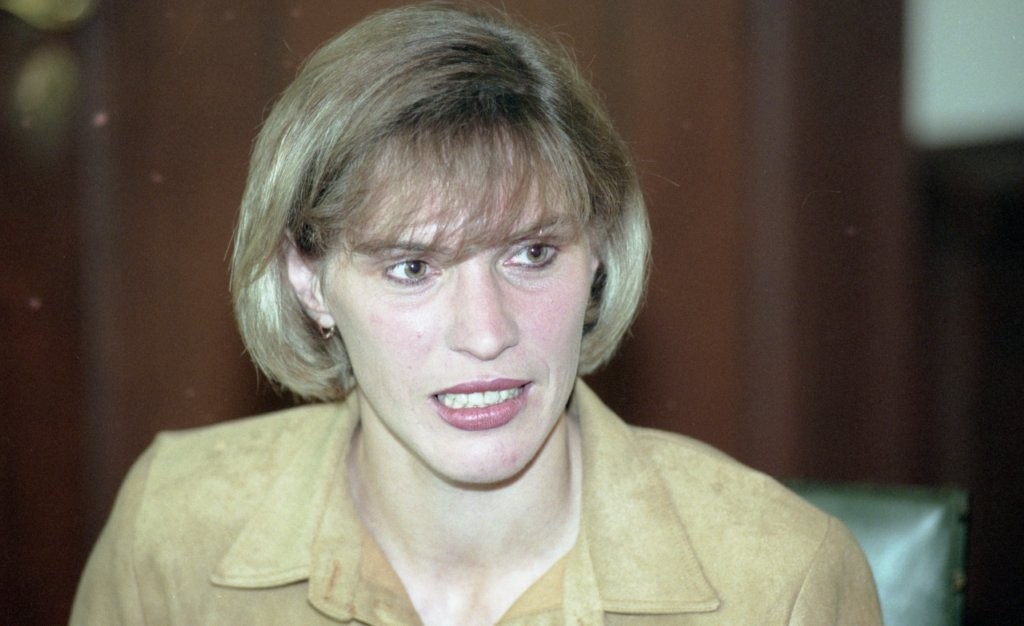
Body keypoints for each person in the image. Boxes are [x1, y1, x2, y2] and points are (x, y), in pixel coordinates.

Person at [71, 3, 881, 624]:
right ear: (307, 280)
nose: (488, 334)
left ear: (599, 250)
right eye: (412, 268)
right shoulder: (171, 530)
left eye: (532, 254)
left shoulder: (780, 583)